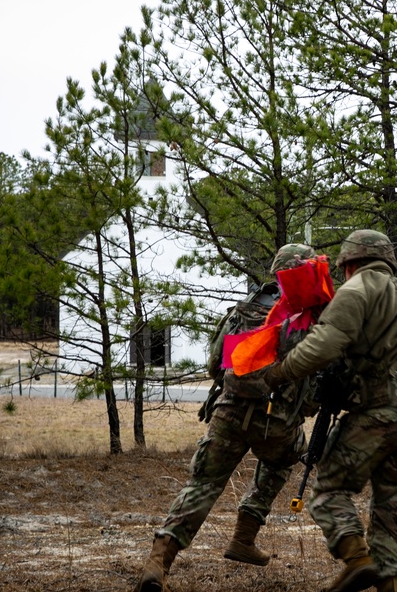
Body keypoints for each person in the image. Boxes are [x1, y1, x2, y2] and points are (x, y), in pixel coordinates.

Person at [134, 243, 328, 592]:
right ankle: (244, 535)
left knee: (202, 486)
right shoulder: (308, 317)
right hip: (276, 421)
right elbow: (317, 376)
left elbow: (214, 365)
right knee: (284, 459)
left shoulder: (244, 310)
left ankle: (157, 563)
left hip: (227, 413)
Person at [259, 229, 397, 592]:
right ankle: (389, 584)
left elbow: (323, 346)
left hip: (382, 411)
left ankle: (359, 560)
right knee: (390, 511)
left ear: (348, 264)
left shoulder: (357, 289)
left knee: (329, 488)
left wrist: (278, 373)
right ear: (387, 260)